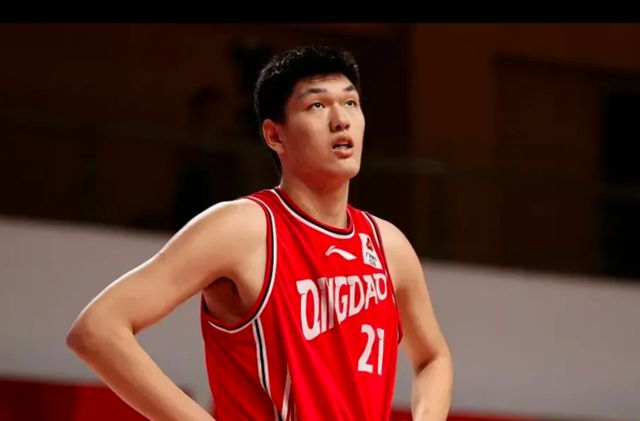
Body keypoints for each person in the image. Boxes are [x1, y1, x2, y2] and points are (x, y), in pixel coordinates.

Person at [66, 45, 453, 421]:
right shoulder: (242, 228)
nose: (341, 119)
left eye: (351, 102)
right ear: (274, 135)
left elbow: (433, 357)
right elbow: (97, 330)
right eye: (317, 106)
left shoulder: (388, 245)